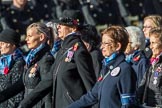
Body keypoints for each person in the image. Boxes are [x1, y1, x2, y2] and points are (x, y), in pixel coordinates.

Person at [67, 25, 137, 108]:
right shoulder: (106, 68)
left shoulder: (125, 69)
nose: (101, 47)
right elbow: (92, 96)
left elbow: (128, 105)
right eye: (102, 43)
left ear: (117, 46)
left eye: (105, 43)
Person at [0, 22, 54, 108]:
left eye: (30, 36)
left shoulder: (46, 59)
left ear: (41, 37)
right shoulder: (32, 59)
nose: (26, 39)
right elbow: (20, 85)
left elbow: (47, 91)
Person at [51, 9, 96, 108]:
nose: (58, 26)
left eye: (62, 25)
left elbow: (90, 86)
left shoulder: (79, 51)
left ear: (74, 28)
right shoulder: (62, 50)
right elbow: (49, 80)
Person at [137, 27, 162, 107]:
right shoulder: (153, 62)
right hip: (149, 104)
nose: (151, 47)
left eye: (153, 43)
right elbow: (144, 82)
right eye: (150, 43)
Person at [0, 29, 25, 108]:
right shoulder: (2, 61)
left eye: (2, 43)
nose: (0, 46)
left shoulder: (19, 63)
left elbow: (18, 93)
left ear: (13, 45)